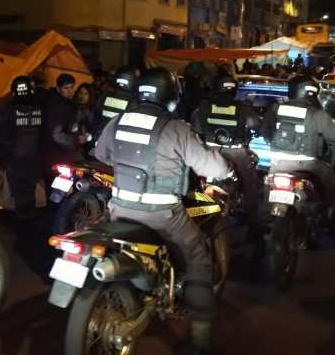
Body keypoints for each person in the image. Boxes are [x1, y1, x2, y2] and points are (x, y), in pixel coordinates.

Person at [94, 67, 231, 354]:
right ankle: (200, 340)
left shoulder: (118, 121)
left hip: (119, 210)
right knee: (198, 257)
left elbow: (101, 154)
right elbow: (214, 167)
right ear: (171, 96)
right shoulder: (176, 128)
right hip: (163, 216)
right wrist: (228, 168)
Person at [262, 74, 335, 232]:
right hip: (309, 165)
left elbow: (265, 131)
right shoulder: (317, 114)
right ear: (312, 93)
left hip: (277, 164)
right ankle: (326, 222)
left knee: (265, 197)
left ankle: (262, 224)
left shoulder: (275, 109)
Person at [192, 74, 262, 227]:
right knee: (250, 186)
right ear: (234, 90)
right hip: (236, 153)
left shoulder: (204, 107)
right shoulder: (243, 108)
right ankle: (254, 224)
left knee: (193, 180)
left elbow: (196, 129)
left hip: (208, 152)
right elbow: (256, 125)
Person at [0, 75, 43, 218]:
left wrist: (3, 156)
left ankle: (21, 217)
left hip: (15, 156)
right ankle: (30, 214)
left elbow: (2, 134)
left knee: (18, 188)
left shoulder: (8, 109)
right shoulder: (40, 107)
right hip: (35, 155)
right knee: (30, 186)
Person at [42, 73, 90, 179]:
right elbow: (56, 134)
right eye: (66, 88)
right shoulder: (55, 105)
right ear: (58, 89)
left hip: (62, 152)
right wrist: (76, 139)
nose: (70, 91)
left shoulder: (68, 104)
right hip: (57, 154)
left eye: (72, 87)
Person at [93, 66, 138, 139]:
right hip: (117, 140)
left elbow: (96, 117)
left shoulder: (105, 96)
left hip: (101, 137)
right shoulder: (134, 101)